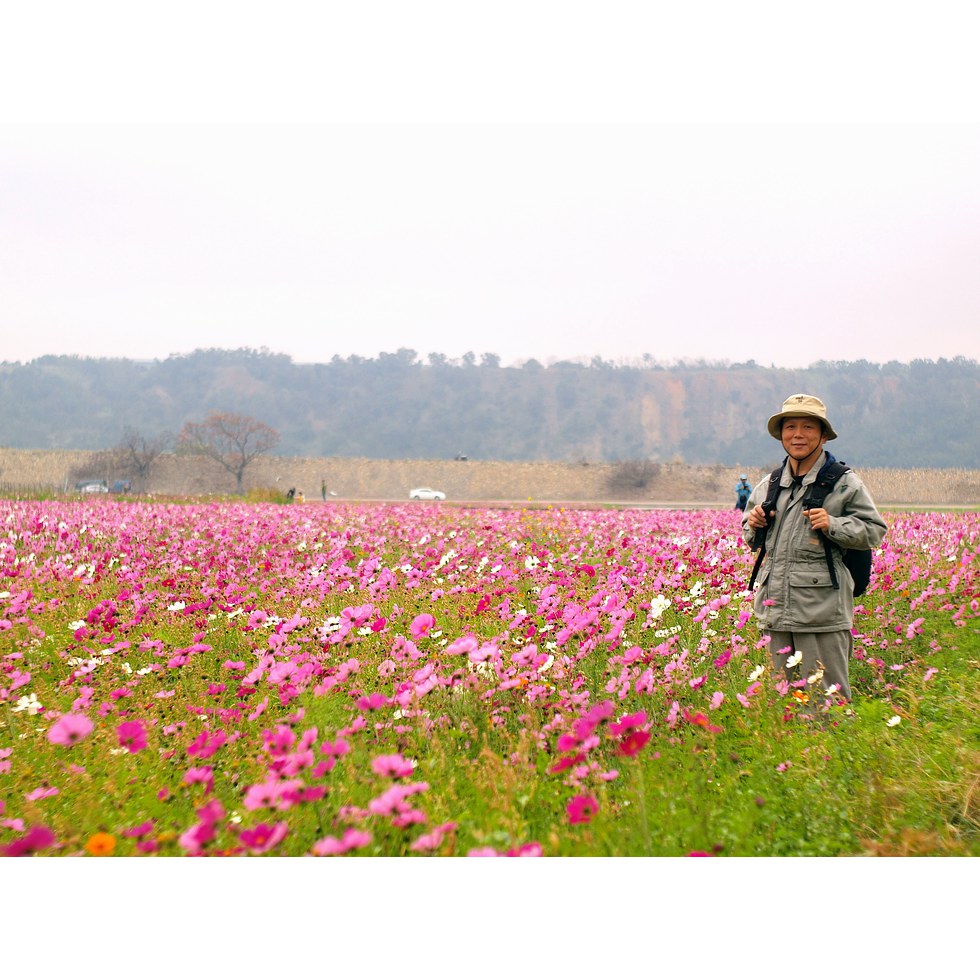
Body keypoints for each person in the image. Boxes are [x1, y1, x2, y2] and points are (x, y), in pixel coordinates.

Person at [741, 394, 887, 707]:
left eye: (808, 427)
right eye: (790, 426)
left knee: (826, 704)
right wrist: (754, 524)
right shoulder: (769, 484)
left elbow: (874, 531)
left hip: (821, 613)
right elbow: (751, 538)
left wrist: (833, 524)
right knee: (782, 705)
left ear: (822, 435)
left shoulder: (844, 484)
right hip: (774, 611)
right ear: (780, 434)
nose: (797, 434)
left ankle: (833, 756)